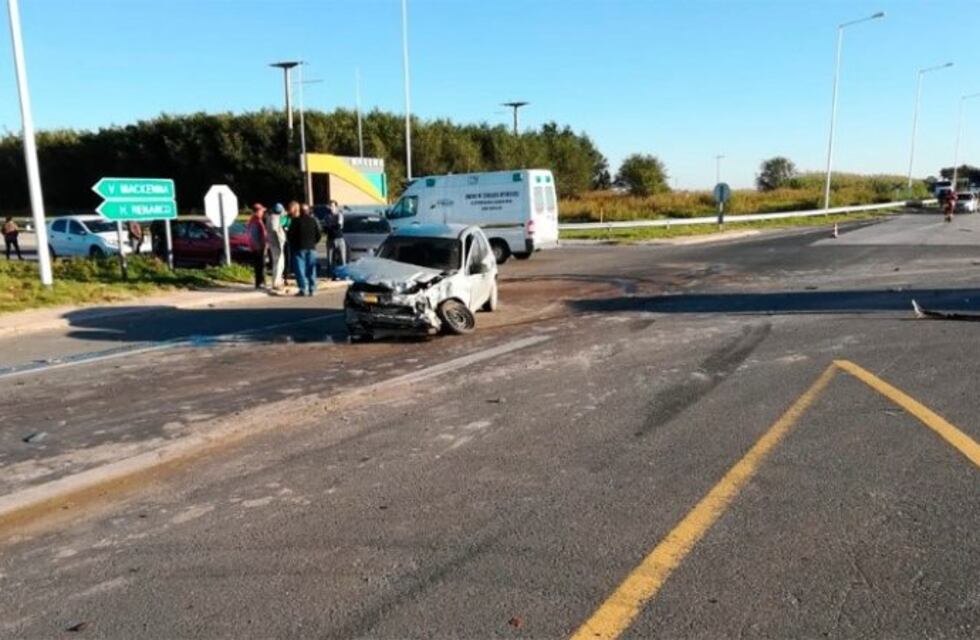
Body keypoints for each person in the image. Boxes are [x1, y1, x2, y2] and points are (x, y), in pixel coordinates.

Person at [287, 202, 322, 296]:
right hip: (311, 248)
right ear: (308, 211)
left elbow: (290, 235)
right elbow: (318, 235)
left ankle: (303, 289)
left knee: (300, 270)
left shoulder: (295, 221)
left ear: (300, 211)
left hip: (299, 248)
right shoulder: (313, 221)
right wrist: (313, 242)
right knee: (311, 269)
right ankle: (312, 288)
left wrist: (293, 244)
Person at [246, 203, 268, 288]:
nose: (263, 213)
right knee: (260, 265)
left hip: (256, 246)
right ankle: (260, 282)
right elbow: (255, 235)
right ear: (258, 211)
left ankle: (259, 282)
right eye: (262, 211)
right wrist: (259, 246)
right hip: (258, 247)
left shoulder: (254, 220)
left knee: (259, 265)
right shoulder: (256, 221)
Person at [267, 203, 288, 290]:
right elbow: (275, 231)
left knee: (280, 263)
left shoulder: (271, 217)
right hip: (276, 244)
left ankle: (278, 280)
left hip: (275, 243)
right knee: (278, 263)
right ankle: (276, 283)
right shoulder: (274, 218)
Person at [324, 200, 347, 276]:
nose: (331, 208)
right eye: (330, 206)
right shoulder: (327, 216)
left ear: (336, 207)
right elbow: (325, 228)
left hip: (339, 239)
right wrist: (330, 227)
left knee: (342, 258)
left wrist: (330, 226)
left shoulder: (339, 215)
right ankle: (330, 274)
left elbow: (339, 226)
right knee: (330, 259)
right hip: (330, 239)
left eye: (332, 206)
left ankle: (343, 274)